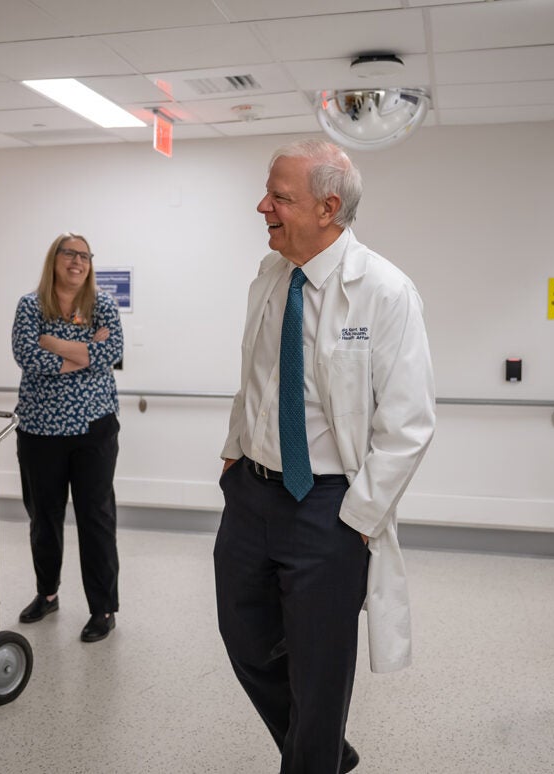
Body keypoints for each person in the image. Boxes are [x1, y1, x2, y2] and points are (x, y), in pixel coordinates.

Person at [215, 139, 435, 774]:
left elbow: (409, 424)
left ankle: (311, 761)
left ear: (328, 207)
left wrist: (359, 518)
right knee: (245, 637)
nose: (263, 207)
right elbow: (254, 377)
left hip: (330, 506)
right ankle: (327, 753)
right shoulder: (270, 276)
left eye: (279, 198)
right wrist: (234, 456)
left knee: (319, 667)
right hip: (252, 494)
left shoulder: (386, 292)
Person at [11, 233, 124, 643]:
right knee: (44, 518)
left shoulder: (102, 305)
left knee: (96, 519)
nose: (78, 261)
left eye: (85, 255)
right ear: (54, 260)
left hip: (94, 428)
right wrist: (82, 351)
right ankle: (48, 593)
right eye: (70, 254)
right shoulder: (29, 306)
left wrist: (54, 343)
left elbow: (112, 353)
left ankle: (103, 609)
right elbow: (27, 356)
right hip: (40, 430)